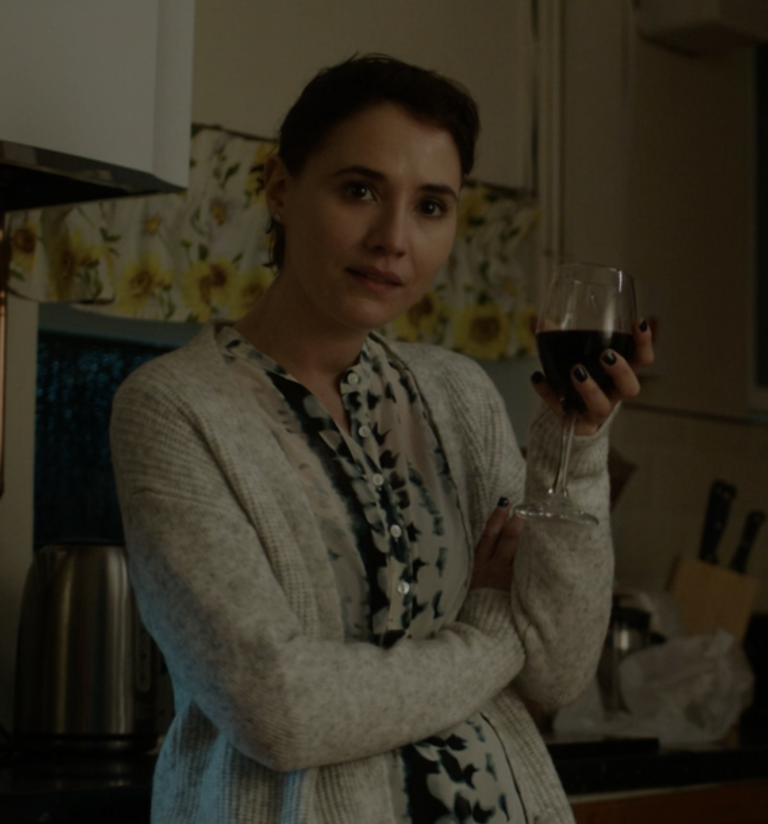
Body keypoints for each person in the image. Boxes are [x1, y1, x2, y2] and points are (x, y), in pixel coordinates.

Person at [110, 55, 654, 824]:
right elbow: (279, 710)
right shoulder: (174, 409)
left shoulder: (461, 395)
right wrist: (492, 633)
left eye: (431, 206)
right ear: (280, 188)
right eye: (360, 190)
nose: (394, 238)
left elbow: (557, 672)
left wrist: (577, 446)